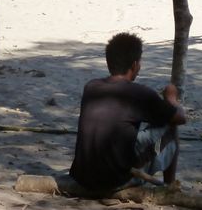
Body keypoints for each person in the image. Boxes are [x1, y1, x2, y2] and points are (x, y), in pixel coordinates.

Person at [69, 32, 187, 193]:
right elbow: (180, 118)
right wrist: (171, 98)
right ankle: (169, 186)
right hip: (113, 182)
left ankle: (140, 164)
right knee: (171, 126)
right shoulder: (139, 93)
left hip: (82, 177)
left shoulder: (91, 87)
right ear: (134, 65)